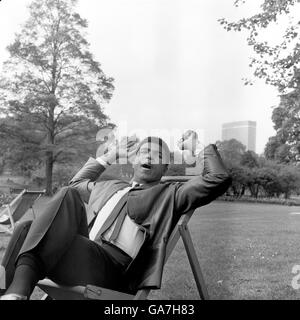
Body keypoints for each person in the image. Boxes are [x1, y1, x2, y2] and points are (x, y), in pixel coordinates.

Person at [0, 131, 231, 300]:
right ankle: (13, 293)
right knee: (27, 227)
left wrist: (196, 145)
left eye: (157, 154)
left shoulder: (170, 194)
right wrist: (112, 154)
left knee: (33, 227)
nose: (148, 156)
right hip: (84, 255)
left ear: (166, 166)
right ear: (133, 160)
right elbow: (76, 183)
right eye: (143, 152)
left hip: (115, 271)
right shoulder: (109, 187)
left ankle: (18, 289)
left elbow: (217, 179)